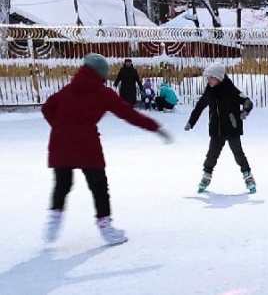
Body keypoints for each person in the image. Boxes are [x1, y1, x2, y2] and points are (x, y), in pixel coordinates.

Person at [42, 53, 172, 246]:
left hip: (61, 142)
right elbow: (129, 114)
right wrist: (155, 127)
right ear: (102, 73)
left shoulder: (68, 89)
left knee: (62, 184)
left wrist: (60, 126)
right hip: (87, 144)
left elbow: (46, 108)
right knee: (99, 186)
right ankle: (106, 227)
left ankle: (53, 222)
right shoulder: (103, 93)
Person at [185, 63, 256, 194]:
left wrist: (245, 110)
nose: (208, 80)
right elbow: (199, 107)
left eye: (210, 77)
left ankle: (248, 177)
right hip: (216, 130)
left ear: (218, 77)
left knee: (238, 154)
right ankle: (206, 177)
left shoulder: (231, 90)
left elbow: (247, 101)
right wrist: (191, 122)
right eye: (207, 78)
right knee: (211, 155)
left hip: (231, 128)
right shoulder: (209, 92)